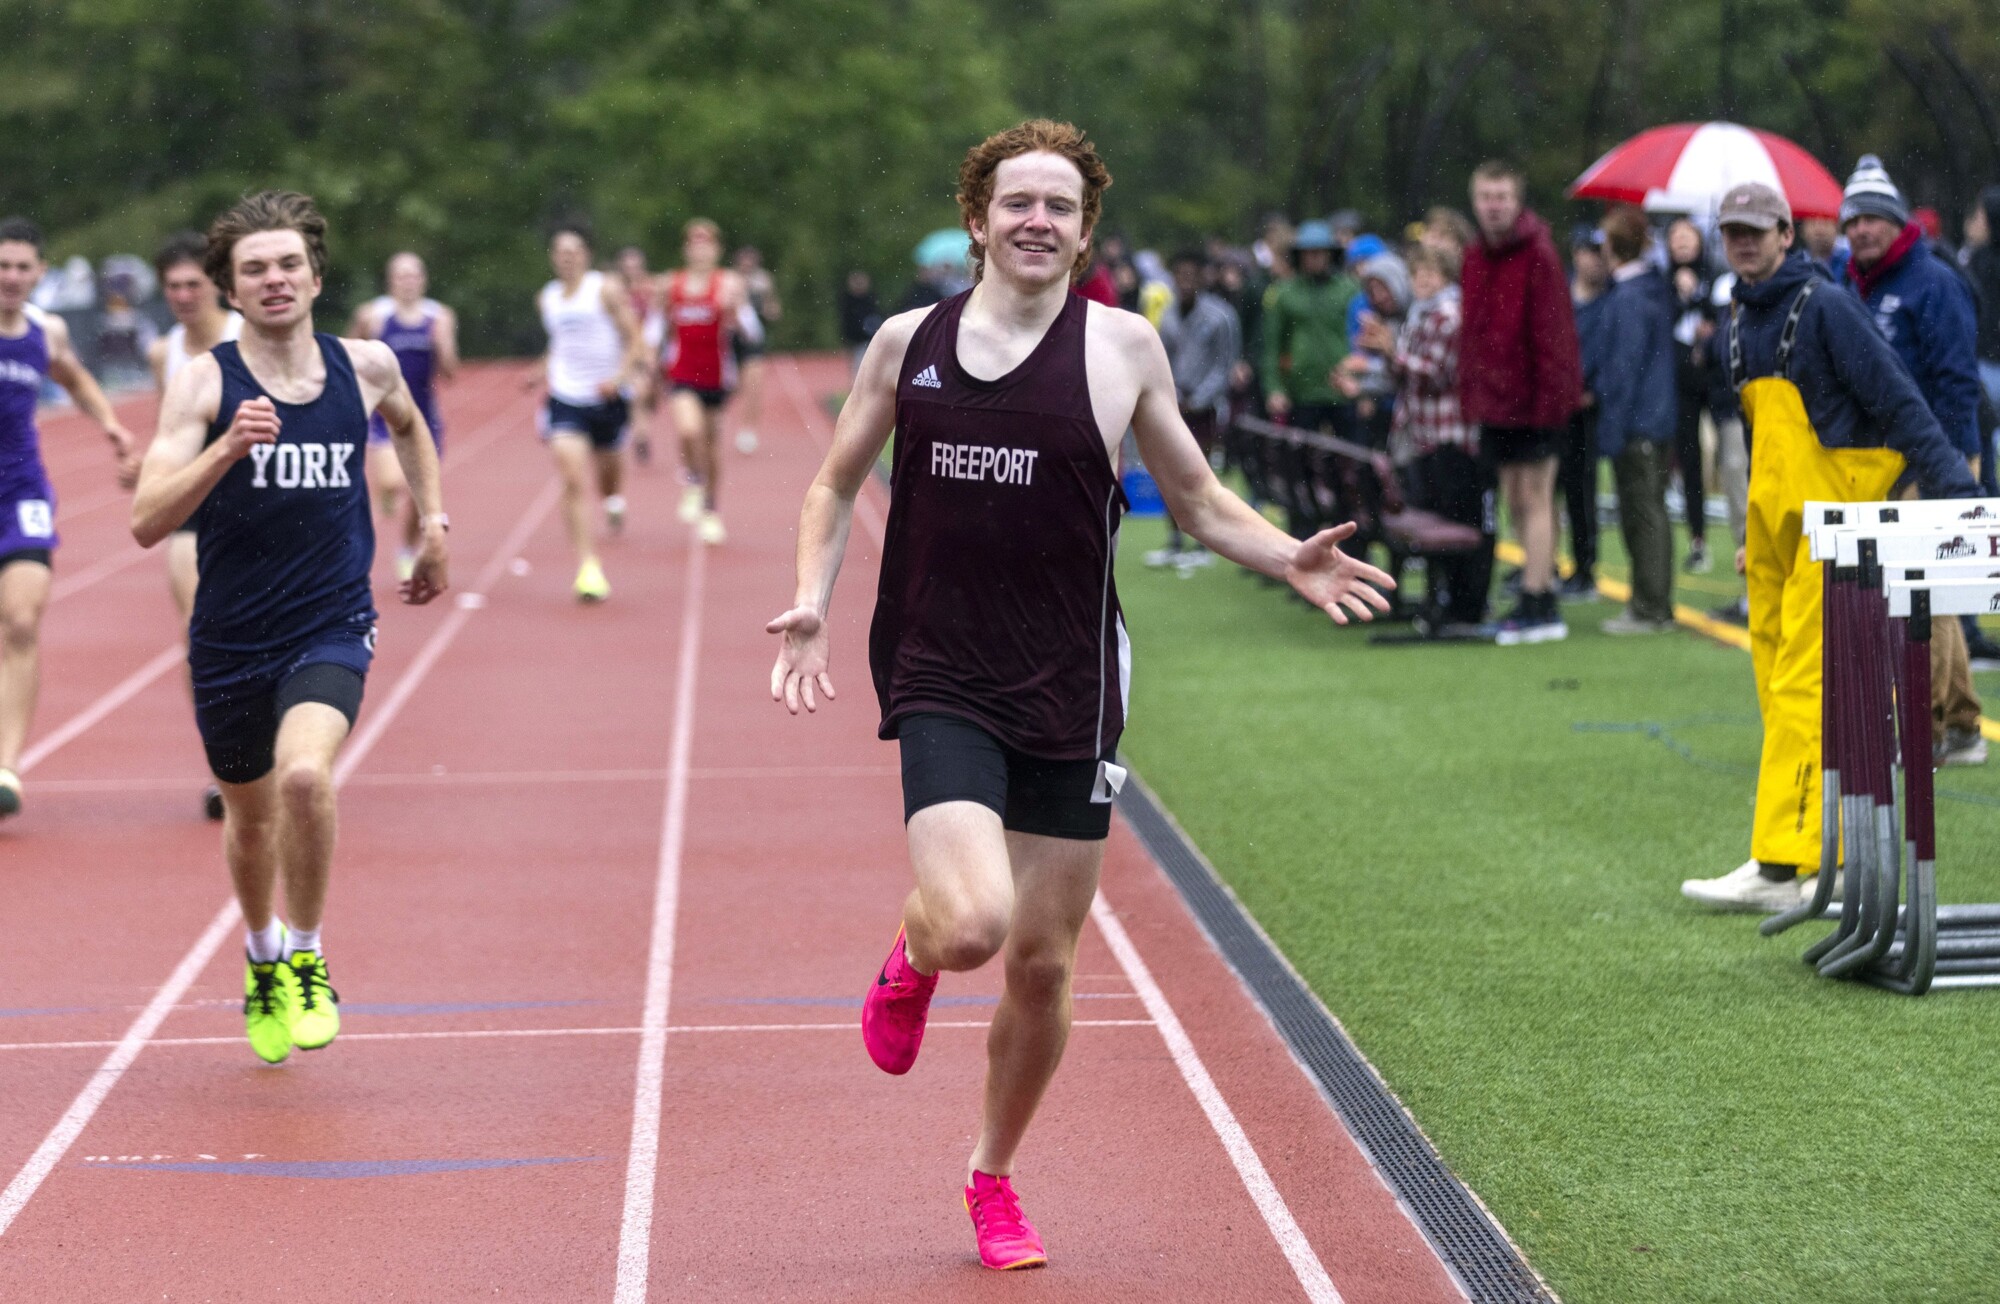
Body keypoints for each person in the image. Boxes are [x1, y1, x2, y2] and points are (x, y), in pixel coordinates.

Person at [766, 119, 1392, 1272]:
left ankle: (990, 1176)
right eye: (1017, 203)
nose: (1037, 221)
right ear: (977, 219)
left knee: (1042, 962)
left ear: (1086, 228)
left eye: (1059, 206)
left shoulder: (1123, 350)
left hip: (1071, 677)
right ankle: (910, 955)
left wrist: (1283, 554)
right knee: (971, 920)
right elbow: (832, 479)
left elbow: (1197, 501)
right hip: (942, 670)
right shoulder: (909, 343)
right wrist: (810, 592)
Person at [130, 190, 449, 1061]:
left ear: (315, 276)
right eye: (253, 270)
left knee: (305, 779)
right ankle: (262, 952)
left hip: (331, 619)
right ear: (231, 291)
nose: (273, 280)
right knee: (251, 818)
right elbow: (146, 518)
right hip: (230, 634)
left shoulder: (367, 365)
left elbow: (412, 429)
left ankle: (307, 955)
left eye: (287, 265)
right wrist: (227, 448)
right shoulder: (204, 381)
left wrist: (434, 526)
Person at [1680, 183, 1978, 912]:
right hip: (1775, 532)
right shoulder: (1739, 321)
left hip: (1837, 528)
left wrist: (1961, 498)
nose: (1744, 241)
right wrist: (1756, 536)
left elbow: (1899, 400)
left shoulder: (1827, 308)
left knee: (1810, 689)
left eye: (1757, 230)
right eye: (1732, 232)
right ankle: (1779, 860)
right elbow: (1758, 440)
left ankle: (1826, 864)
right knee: (1774, 685)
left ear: (1788, 233)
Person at [1839, 155, 1986, 766]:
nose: (1862, 231)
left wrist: (1945, 466)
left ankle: (1924, 732)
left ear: (1896, 222)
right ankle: (1961, 725)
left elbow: (1957, 382)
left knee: (1920, 593)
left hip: (1937, 459)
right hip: (1885, 462)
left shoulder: (1934, 283)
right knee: (1929, 596)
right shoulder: (1852, 284)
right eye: (1854, 222)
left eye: (1873, 219)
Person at [0, 217, 140, 818]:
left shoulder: (46, 331)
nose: (10, 277)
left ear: (39, 273)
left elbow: (76, 379)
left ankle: (6, 767)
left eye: (22, 267)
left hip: (22, 492)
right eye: (2, 266)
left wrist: (109, 423)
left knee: (22, 622)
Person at [1459, 161, 1584, 645]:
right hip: (1494, 401)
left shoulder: (1539, 254)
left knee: (1536, 496)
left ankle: (1539, 601)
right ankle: (1536, 585)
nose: (1493, 206)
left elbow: (1554, 336)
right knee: (1515, 499)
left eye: (1502, 197)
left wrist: (1552, 403)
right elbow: (1473, 334)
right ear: (1475, 201)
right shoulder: (1475, 256)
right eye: (1486, 196)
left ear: (1517, 201)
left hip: (1535, 400)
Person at [150, 232, 245, 821]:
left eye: (194, 284)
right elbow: (171, 435)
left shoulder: (246, 338)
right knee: (198, 636)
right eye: (173, 287)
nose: (184, 295)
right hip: (193, 512)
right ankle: (224, 766)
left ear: (215, 285)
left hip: (258, 508)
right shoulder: (165, 352)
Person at [1362, 243, 1488, 631]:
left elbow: (1437, 374)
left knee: (1456, 522)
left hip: (1450, 433)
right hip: (1424, 433)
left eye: (1431, 274)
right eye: (1418, 275)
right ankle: (1441, 602)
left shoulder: (1450, 315)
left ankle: (1463, 608)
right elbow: (1406, 375)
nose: (1423, 282)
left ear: (1447, 277)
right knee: (1437, 518)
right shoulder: (1421, 315)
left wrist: (1391, 350)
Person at [534, 223, 646, 599]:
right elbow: (561, 343)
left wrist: (620, 376)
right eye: (561, 251)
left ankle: (614, 502)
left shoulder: (605, 289)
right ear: (553, 258)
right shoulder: (547, 298)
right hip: (567, 396)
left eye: (575, 250)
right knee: (571, 479)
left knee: (609, 477)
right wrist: (541, 370)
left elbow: (635, 338)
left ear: (586, 255)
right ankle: (588, 566)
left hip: (609, 397)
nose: (568, 257)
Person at [1592, 205, 1678, 635]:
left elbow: (1623, 370)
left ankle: (1651, 606)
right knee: (1650, 511)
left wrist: (1612, 427)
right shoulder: (1652, 289)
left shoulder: (1628, 296)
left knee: (1643, 515)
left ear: (1611, 247)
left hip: (1638, 423)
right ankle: (1652, 601)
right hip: (1655, 418)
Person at [350, 252, 458, 582]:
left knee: (418, 496)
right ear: (391, 281)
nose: (408, 282)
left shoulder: (439, 316)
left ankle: (407, 549)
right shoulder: (373, 314)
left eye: (413, 276)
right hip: (385, 413)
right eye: (401, 276)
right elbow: (350, 355)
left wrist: (441, 344)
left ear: (423, 280)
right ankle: (384, 494)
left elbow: (450, 372)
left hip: (423, 416)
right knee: (391, 481)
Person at [1148, 249, 1241, 569]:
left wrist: (1198, 398)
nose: (1185, 282)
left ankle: (1204, 544)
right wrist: (1171, 395)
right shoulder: (1170, 315)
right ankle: (1175, 541)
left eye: (1191, 276)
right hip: (1174, 404)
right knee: (1166, 470)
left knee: (1200, 476)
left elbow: (1224, 367)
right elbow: (1163, 361)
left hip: (1207, 409)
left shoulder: (1221, 316)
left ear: (1203, 278)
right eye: (1180, 275)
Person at [662, 218, 745, 546]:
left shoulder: (727, 283)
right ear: (686, 249)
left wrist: (733, 309)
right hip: (682, 371)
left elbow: (743, 329)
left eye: (706, 243)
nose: (700, 249)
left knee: (712, 446)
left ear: (716, 249)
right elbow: (661, 327)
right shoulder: (672, 284)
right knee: (688, 430)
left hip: (716, 374)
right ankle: (694, 482)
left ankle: (711, 509)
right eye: (694, 243)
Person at [1259, 219, 1357, 439]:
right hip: (1301, 391)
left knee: (1348, 461)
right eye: (1308, 253)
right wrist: (1274, 388)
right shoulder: (1284, 293)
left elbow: (1360, 338)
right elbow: (1272, 345)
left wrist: (1362, 383)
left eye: (1319, 252)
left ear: (1330, 254)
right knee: (1302, 461)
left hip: (1342, 389)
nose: (1314, 258)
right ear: (1298, 255)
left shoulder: (1349, 290)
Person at [1664, 217, 1714, 574]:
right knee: (1690, 459)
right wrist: (1682, 297)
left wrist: (1699, 296)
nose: (1681, 242)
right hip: (1681, 384)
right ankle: (1697, 538)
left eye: (1688, 236)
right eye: (1675, 237)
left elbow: (1718, 318)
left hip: (1712, 382)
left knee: (1728, 457)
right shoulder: (1663, 283)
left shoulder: (1715, 277)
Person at [1563, 228, 1609, 600]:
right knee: (1543, 490)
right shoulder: (1560, 294)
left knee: (1582, 490)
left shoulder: (1611, 299)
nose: (1595, 259)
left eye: (1601, 252)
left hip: (1588, 408)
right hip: (1555, 406)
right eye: (1589, 251)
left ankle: (1584, 565)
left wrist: (1593, 390)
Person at [615, 245, 664, 466]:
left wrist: (651, 351)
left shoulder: (651, 289)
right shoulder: (614, 291)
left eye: (635, 265)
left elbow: (656, 320)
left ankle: (639, 431)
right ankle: (640, 436)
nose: (631, 270)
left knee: (646, 395)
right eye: (627, 266)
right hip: (622, 350)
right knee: (637, 395)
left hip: (644, 348)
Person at [730, 245, 779, 454]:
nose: (747, 264)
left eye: (751, 260)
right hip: (730, 341)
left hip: (753, 341)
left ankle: (748, 430)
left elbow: (773, 309)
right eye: (743, 260)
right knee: (735, 387)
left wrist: (769, 310)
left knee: (754, 386)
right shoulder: (728, 280)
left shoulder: (764, 280)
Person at [837, 269, 882, 377]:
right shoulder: (848, 301)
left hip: (870, 341)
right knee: (858, 370)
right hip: (857, 342)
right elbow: (846, 324)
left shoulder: (870, 299)